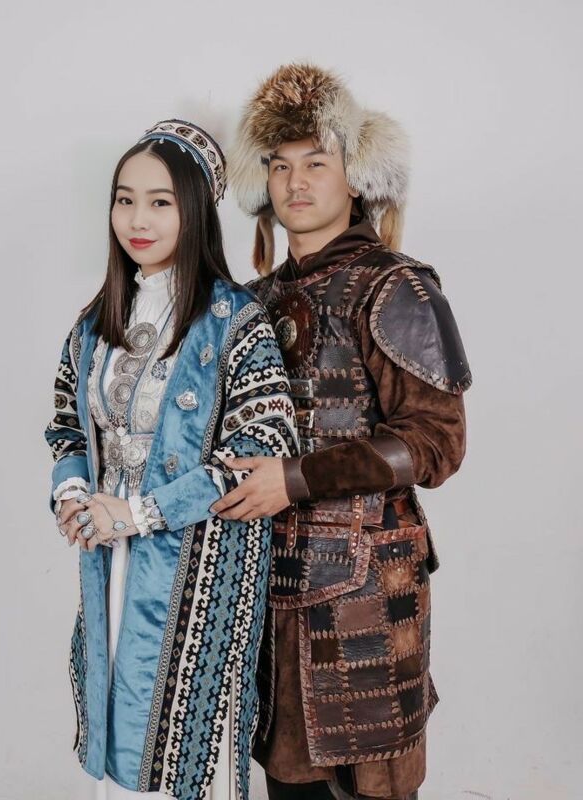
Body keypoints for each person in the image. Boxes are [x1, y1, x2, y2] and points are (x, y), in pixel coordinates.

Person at [213, 64, 472, 800]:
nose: (296, 182)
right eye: (279, 165)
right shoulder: (251, 301)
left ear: (353, 175)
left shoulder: (397, 286)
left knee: (371, 789)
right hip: (267, 586)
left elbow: (436, 441)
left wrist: (294, 480)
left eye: (316, 162)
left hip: (366, 594)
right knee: (286, 783)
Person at [44, 118, 298, 800]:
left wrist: (139, 513)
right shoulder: (95, 323)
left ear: (195, 210)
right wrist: (72, 496)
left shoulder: (236, 323)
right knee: (118, 738)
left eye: (160, 201)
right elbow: (67, 429)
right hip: (108, 562)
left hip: (198, 569)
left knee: (184, 751)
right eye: (125, 199)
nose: (138, 219)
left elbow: (260, 452)